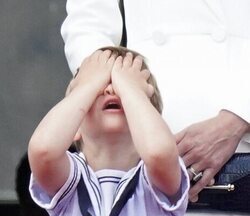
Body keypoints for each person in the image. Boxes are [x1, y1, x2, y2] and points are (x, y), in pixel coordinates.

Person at [60, 0, 250, 203]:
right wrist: (123, 95)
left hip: (243, 144)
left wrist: (238, 117)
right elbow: (88, 27)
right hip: (141, 146)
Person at [28, 46, 189, 216]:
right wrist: (88, 85)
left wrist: (129, 89)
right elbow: (43, 150)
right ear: (75, 125)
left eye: (121, 86)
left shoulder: (155, 177)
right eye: (99, 87)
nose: (111, 89)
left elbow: (158, 152)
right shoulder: (69, 178)